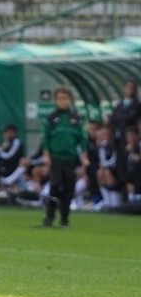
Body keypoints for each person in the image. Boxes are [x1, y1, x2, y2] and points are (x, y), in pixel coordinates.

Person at [42, 86, 89, 228]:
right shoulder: (51, 118)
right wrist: (46, 155)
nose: (63, 101)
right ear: (55, 100)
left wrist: (85, 157)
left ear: (70, 100)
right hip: (56, 158)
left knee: (69, 188)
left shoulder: (76, 118)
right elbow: (46, 138)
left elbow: (82, 140)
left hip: (70, 159)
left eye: (66, 98)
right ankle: (49, 216)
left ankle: (64, 218)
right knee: (55, 185)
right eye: (60, 98)